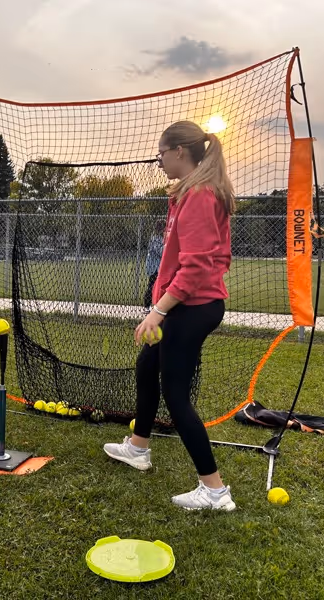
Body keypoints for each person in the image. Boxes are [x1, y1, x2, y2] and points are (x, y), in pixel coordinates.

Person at [103, 121, 237, 511]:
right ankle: (138, 447)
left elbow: (196, 268)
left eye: (161, 152)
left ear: (180, 151)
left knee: (176, 397)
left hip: (192, 308)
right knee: (147, 367)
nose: (158, 159)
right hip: (185, 305)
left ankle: (214, 490)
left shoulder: (199, 194)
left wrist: (158, 312)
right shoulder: (189, 193)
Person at [142, 219, 166, 312]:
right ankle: (147, 306)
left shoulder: (162, 238)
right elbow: (160, 252)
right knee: (151, 285)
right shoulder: (155, 238)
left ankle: (160, 306)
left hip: (160, 267)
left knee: (161, 287)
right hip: (154, 267)